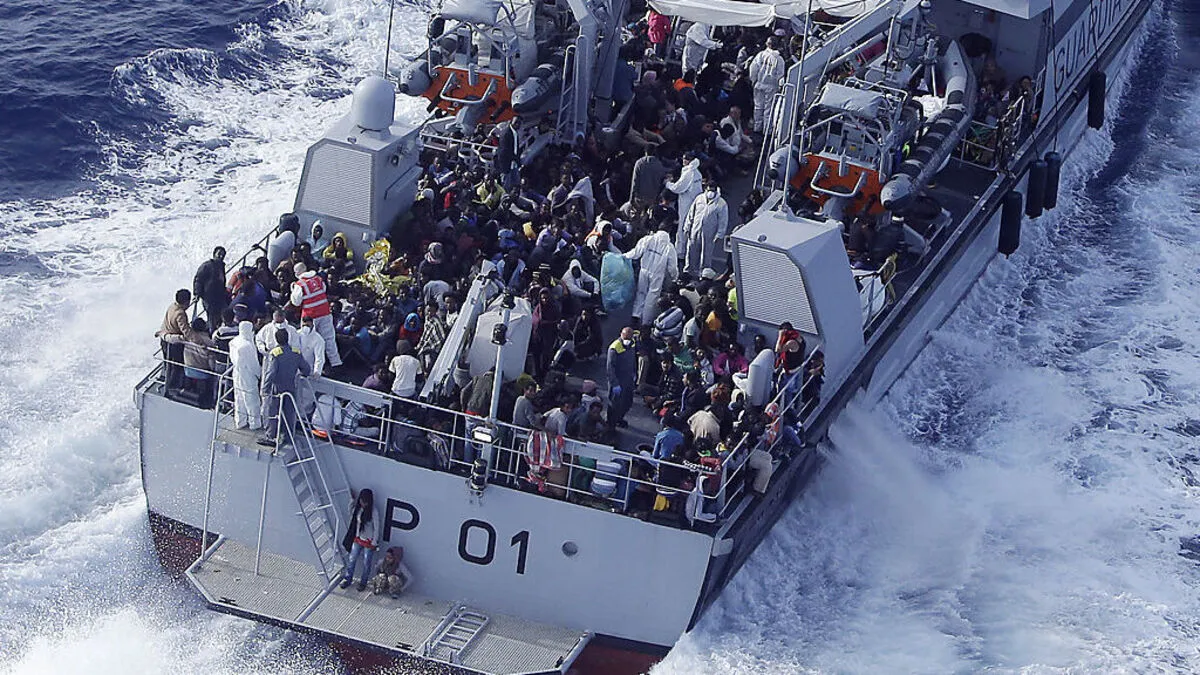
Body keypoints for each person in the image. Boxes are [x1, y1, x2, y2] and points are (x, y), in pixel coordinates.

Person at [258, 329, 312, 447]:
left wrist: (265, 389)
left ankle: (271, 437)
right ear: (288, 338)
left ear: (277, 340)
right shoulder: (296, 352)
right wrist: (301, 375)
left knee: (272, 412)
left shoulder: (275, 353)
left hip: (277, 388)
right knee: (289, 413)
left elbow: (271, 373)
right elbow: (306, 369)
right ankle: (288, 436)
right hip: (290, 386)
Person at [290, 262, 343, 369]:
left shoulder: (299, 285)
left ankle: (310, 366)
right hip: (325, 312)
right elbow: (323, 290)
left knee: (309, 341)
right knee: (329, 339)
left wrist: (292, 289)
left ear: (297, 273)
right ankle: (336, 363)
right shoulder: (318, 279)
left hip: (310, 316)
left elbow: (296, 302)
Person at [624, 224, 680, 326]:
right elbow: (672, 267)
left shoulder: (647, 239)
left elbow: (635, 253)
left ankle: (636, 315)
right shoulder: (669, 247)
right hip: (657, 275)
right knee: (652, 298)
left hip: (644, 271)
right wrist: (675, 278)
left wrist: (623, 257)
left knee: (641, 293)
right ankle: (645, 322)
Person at [679, 181, 729, 276]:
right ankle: (689, 270)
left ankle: (703, 273)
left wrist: (719, 234)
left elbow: (723, 220)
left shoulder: (721, 203)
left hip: (710, 233)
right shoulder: (699, 198)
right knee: (691, 249)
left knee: (706, 253)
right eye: (709, 189)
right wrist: (687, 227)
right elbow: (691, 213)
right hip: (695, 229)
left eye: (713, 190)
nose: (711, 192)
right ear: (706, 189)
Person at [156, 289, 200, 394]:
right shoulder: (180, 314)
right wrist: (198, 341)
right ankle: (173, 387)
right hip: (173, 343)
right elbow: (186, 331)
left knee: (168, 363)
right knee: (177, 365)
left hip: (165, 339)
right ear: (186, 302)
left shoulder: (172, 306)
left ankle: (167, 380)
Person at [340, 489, 383, 592]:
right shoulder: (358, 509)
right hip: (358, 538)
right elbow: (351, 513)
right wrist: (352, 501)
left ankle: (363, 582)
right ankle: (348, 579)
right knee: (352, 559)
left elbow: (376, 527)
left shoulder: (374, 511)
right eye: (361, 501)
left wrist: (374, 542)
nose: (363, 503)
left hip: (368, 541)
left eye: (365, 502)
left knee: (366, 563)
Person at [228, 320, 262, 430]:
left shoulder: (234, 341)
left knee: (239, 398)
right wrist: (259, 374)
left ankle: (240, 421)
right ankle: (254, 423)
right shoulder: (247, 346)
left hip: (236, 372)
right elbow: (253, 364)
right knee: (251, 399)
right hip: (247, 375)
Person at [748, 37, 786, 134]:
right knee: (768, 109)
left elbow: (753, 68)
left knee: (758, 107)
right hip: (771, 87)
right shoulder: (779, 59)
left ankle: (757, 128)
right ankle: (766, 131)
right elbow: (780, 75)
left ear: (767, 44)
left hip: (759, 84)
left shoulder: (760, 55)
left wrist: (753, 81)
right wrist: (780, 87)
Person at [606, 327, 638, 429]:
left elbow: (633, 359)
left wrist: (634, 372)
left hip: (628, 379)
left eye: (629, 337)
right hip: (617, 381)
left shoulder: (632, 344)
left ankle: (619, 418)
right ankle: (610, 424)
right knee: (614, 405)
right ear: (621, 335)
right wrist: (615, 384)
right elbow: (610, 368)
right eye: (626, 337)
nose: (627, 340)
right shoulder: (614, 348)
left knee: (627, 402)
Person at [665, 154, 703, 233]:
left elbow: (678, 188)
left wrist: (667, 184)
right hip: (696, 200)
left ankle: (682, 240)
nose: (684, 160)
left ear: (690, 160)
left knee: (684, 223)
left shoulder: (688, 173)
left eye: (686, 159)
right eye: (683, 158)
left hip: (687, 201)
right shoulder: (696, 171)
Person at [192, 246, 228, 325]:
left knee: (221, 315)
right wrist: (197, 294)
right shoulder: (207, 266)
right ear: (214, 254)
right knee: (212, 317)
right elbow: (198, 280)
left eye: (223, 255)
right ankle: (212, 330)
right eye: (219, 254)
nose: (221, 256)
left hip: (219, 296)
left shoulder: (221, 266)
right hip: (209, 298)